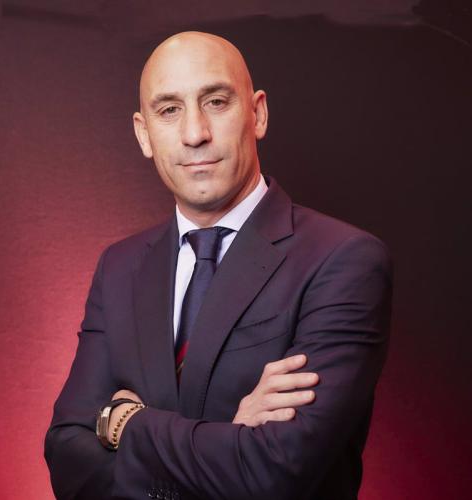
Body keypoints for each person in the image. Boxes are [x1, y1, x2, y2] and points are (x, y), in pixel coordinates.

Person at [44, 31, 392, 500]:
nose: (195, 133)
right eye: (170, 110)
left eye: (216, 102)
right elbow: (68, 458)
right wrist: (230, 440)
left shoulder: (344, 260)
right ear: (144, 134)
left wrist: (124, 422)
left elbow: (274, 473)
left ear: (258, 113)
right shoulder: (120, 268)